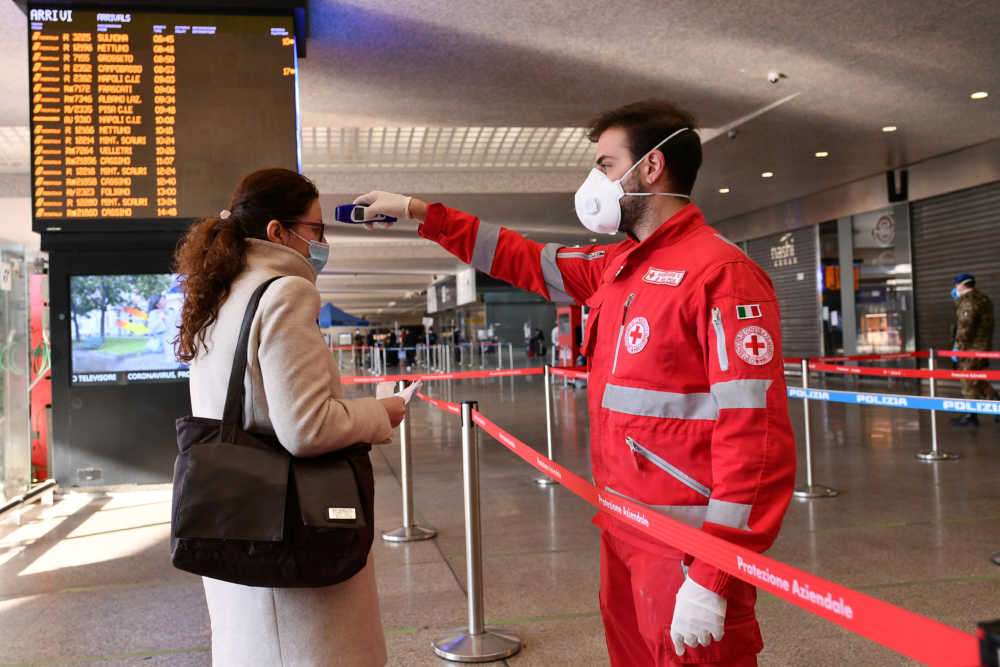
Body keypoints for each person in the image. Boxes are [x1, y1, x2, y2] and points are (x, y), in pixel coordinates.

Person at [354, 99, 796, 667]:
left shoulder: (721, 274)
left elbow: (757, 441)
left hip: (685, 548)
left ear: (652, 167)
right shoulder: (618, 266)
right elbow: (520, 256)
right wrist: (422, 213)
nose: (596, 180)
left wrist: (714, 573)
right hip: (623, 528)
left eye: (606, 164)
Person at [173, 168, 406, 667]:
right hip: (289, 543)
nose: (322, 243)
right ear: (278, 231)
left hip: (239, 523)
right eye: (316, 229)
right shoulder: (284, 292)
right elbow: (307, 429)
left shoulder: (220, 296)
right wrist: (381, 413)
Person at [949, 273, 999, 426]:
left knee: (967, 379)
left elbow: (965, 327)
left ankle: (971, 415)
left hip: (971, 347)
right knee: (976, 378)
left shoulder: (969, 301)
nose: (955, 288)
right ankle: (996, 403)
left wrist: (957, 347)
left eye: (956, 285)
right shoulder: (982, 298)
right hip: (981, 345)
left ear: (962, 285)